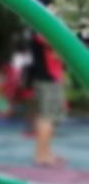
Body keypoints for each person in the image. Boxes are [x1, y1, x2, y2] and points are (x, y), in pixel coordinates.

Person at [24, 27, 67, 167]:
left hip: (47, 78)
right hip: (48, 79)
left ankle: (45, 153)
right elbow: (56, 53)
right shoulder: (43, 31)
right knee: (47, 117)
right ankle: (41, 155)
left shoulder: (40, 30)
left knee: (46, 117)